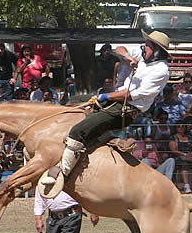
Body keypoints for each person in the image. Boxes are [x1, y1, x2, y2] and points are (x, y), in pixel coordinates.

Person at [42, 30, 171, 186]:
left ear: (157, 50)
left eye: (148, 45)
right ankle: (107, 140)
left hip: (125, 110)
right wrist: (127, 57)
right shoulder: (144, 57)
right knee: (74, 103)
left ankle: (63, 173)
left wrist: (104, 97)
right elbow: (119, 48)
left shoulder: (161, 71)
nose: (144, 48)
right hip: (116, 101)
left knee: (78, 130)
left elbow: (131, 95)